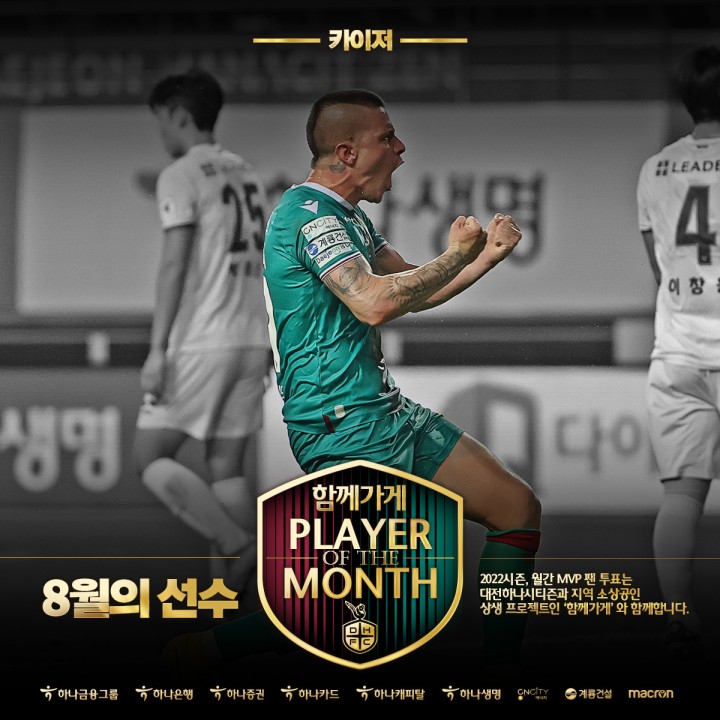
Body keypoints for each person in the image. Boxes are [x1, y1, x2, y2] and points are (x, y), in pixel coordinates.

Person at [160, 88, 541, 678]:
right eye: (387, 137)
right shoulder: (309, 216)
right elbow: (374, 303)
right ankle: (208, 650)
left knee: (515, 508)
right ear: (347, 152)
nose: (401, 148)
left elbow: (413, 288)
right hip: (341, 426)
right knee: (365, 609)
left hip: (383, 413)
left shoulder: (349, 217)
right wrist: (455, 254)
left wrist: (483, 257)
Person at [132, 68, 271, 600]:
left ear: (178, 116)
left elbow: (174, 265)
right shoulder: (247, 172)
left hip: (203, 340)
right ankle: (246, 601)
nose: (160, 133)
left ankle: (238, 545)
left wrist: (157, 349)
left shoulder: (181, 174)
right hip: (252, 339)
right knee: (225, 466)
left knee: (149, 457)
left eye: (161, 121)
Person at [636, 43, 720, 660]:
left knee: (682, 495)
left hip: (679, 351)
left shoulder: (654, 169)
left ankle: (678, 616)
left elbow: (659, 268)